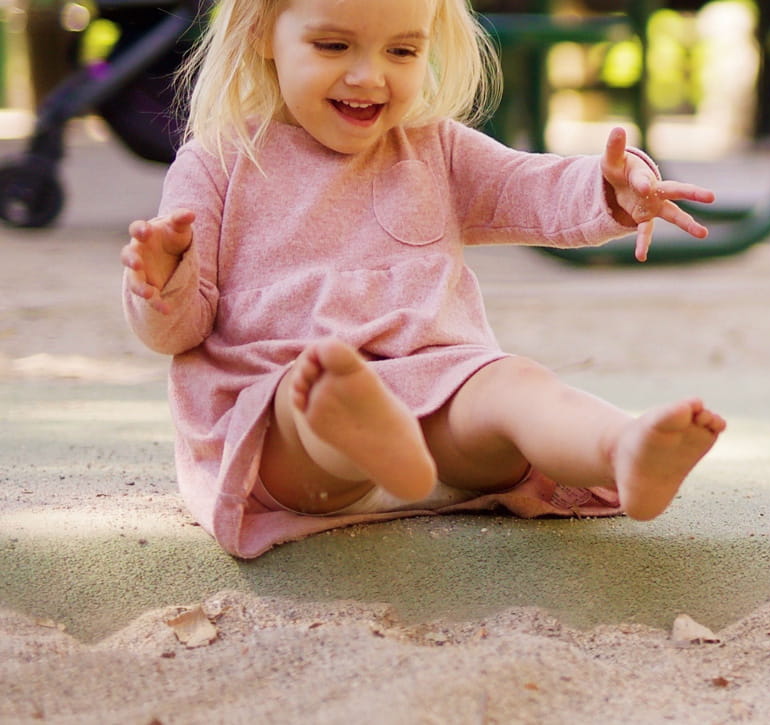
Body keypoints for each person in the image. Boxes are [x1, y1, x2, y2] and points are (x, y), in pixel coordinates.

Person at [122, 0, 727, 558]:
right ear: (263, 34)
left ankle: (621, 447)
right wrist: (162, 280)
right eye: (334, 47)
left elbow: (529, 186)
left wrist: (612, 186)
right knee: (310, 397)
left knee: (513, 381)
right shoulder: (219, 161)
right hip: (291, 427)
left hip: (441, 411)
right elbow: (179, 331)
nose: (369, 76)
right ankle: (365, 438)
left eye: (402, 51)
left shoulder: (433, 147)